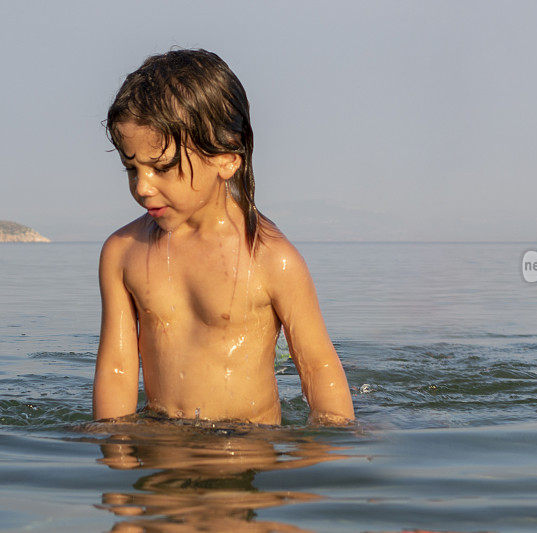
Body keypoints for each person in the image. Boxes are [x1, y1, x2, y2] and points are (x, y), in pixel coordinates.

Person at [92, 49, 354, 426]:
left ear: (227, 158)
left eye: (162, 167)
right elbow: (117, 367)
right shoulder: (123, 253)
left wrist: (322, 457)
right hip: (163, 445)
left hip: (248, 446)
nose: (143, 187)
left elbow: (318, 365)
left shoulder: (270, 260)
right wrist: (115, 456)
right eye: (132, 168)